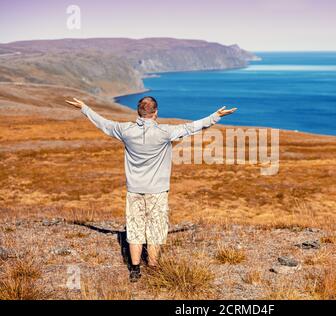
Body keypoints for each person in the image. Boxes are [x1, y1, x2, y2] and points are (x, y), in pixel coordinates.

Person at [65, 96, 237, 282]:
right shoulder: (165, 131)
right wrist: (217, 115)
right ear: (156, 112)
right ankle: (153, 267)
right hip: (157, 191)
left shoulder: (125, 130)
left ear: (139, 112)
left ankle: (135, 270)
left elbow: (103, 123)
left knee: (134, 228)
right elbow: (194, 127)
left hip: (134, 190)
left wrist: (84, 108)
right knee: (155, 227)